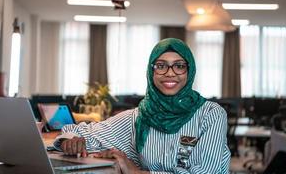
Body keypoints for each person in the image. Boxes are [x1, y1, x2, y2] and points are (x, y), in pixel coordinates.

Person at [55, 38, 231, 173]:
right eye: (161, 66)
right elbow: (79, 132)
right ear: (151, 72)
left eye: (179, 66)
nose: (170, 73)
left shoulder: (211, 114)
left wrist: (137, 172)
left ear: (190, 70)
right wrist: (68, 142)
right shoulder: (138, 117)